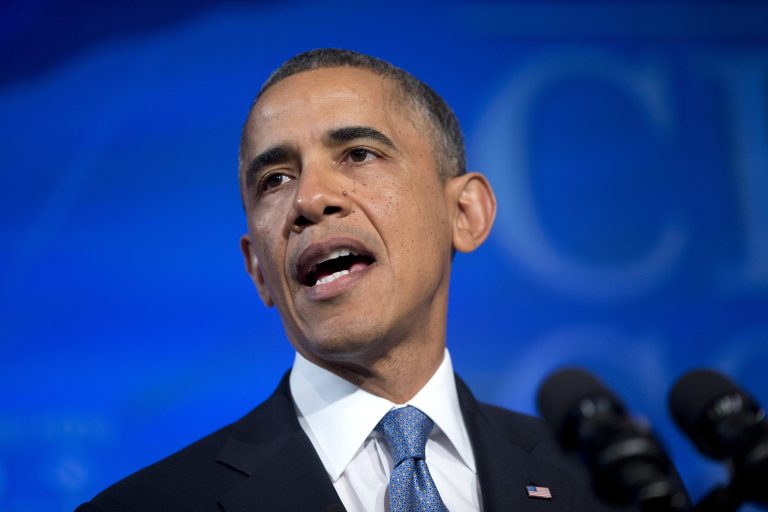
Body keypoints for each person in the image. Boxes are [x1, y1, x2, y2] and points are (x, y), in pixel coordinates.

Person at [76, 49, 621, 511]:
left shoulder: (603, 487)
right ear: (258, 270)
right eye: (275, 179)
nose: (310, 199)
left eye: (359, 154)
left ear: (465, 213)